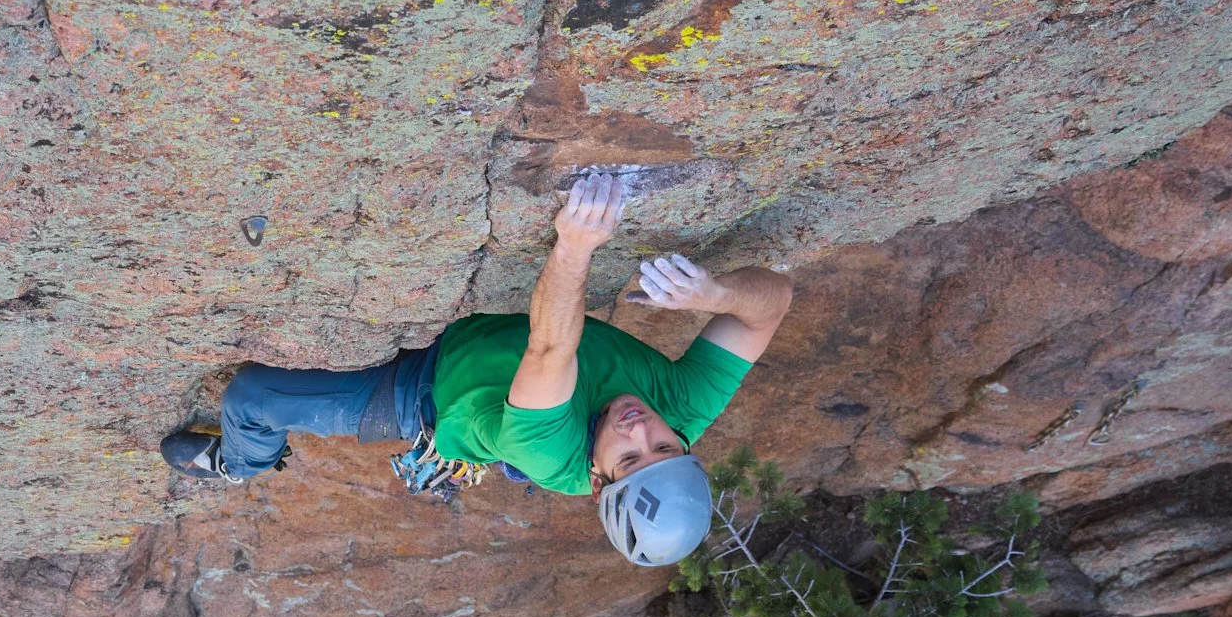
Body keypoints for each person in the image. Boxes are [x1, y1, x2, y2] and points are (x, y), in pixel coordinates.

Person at [160, 171, 794, 565]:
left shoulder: (555, 458)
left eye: (629, 458)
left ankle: (239, 463)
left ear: (598, 482)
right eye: (662, 445)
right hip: (487, 349)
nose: (639, 428)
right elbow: (770, 308)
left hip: (426, 394)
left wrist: (574, 245)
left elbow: (551, 351)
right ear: (683, 446)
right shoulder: (682, 415)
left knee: (250, 396)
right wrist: (714, 296)